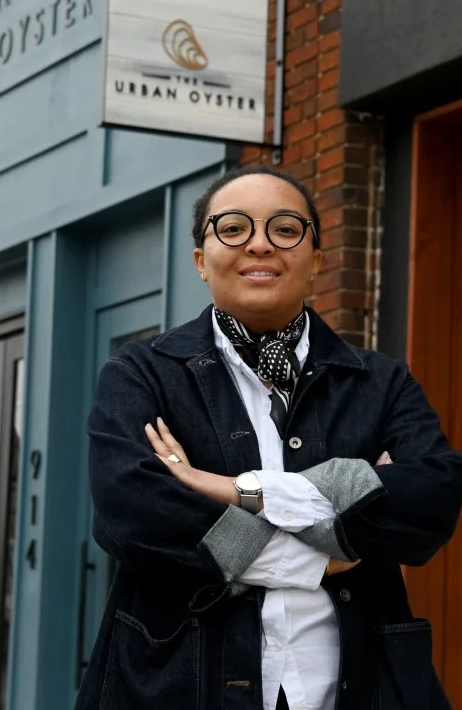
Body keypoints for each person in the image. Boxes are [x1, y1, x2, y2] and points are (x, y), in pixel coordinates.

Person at [75, 165, 462, 710]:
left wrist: (236, 491)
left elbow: (433, 500)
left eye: (284, 229)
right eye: (233, 229)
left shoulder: (380, 382)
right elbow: (131, 513)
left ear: (315, 262)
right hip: (180, 686)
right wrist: (316, 556)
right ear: (200, 261)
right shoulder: (142, 372)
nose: (260, 244)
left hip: (356, 685)